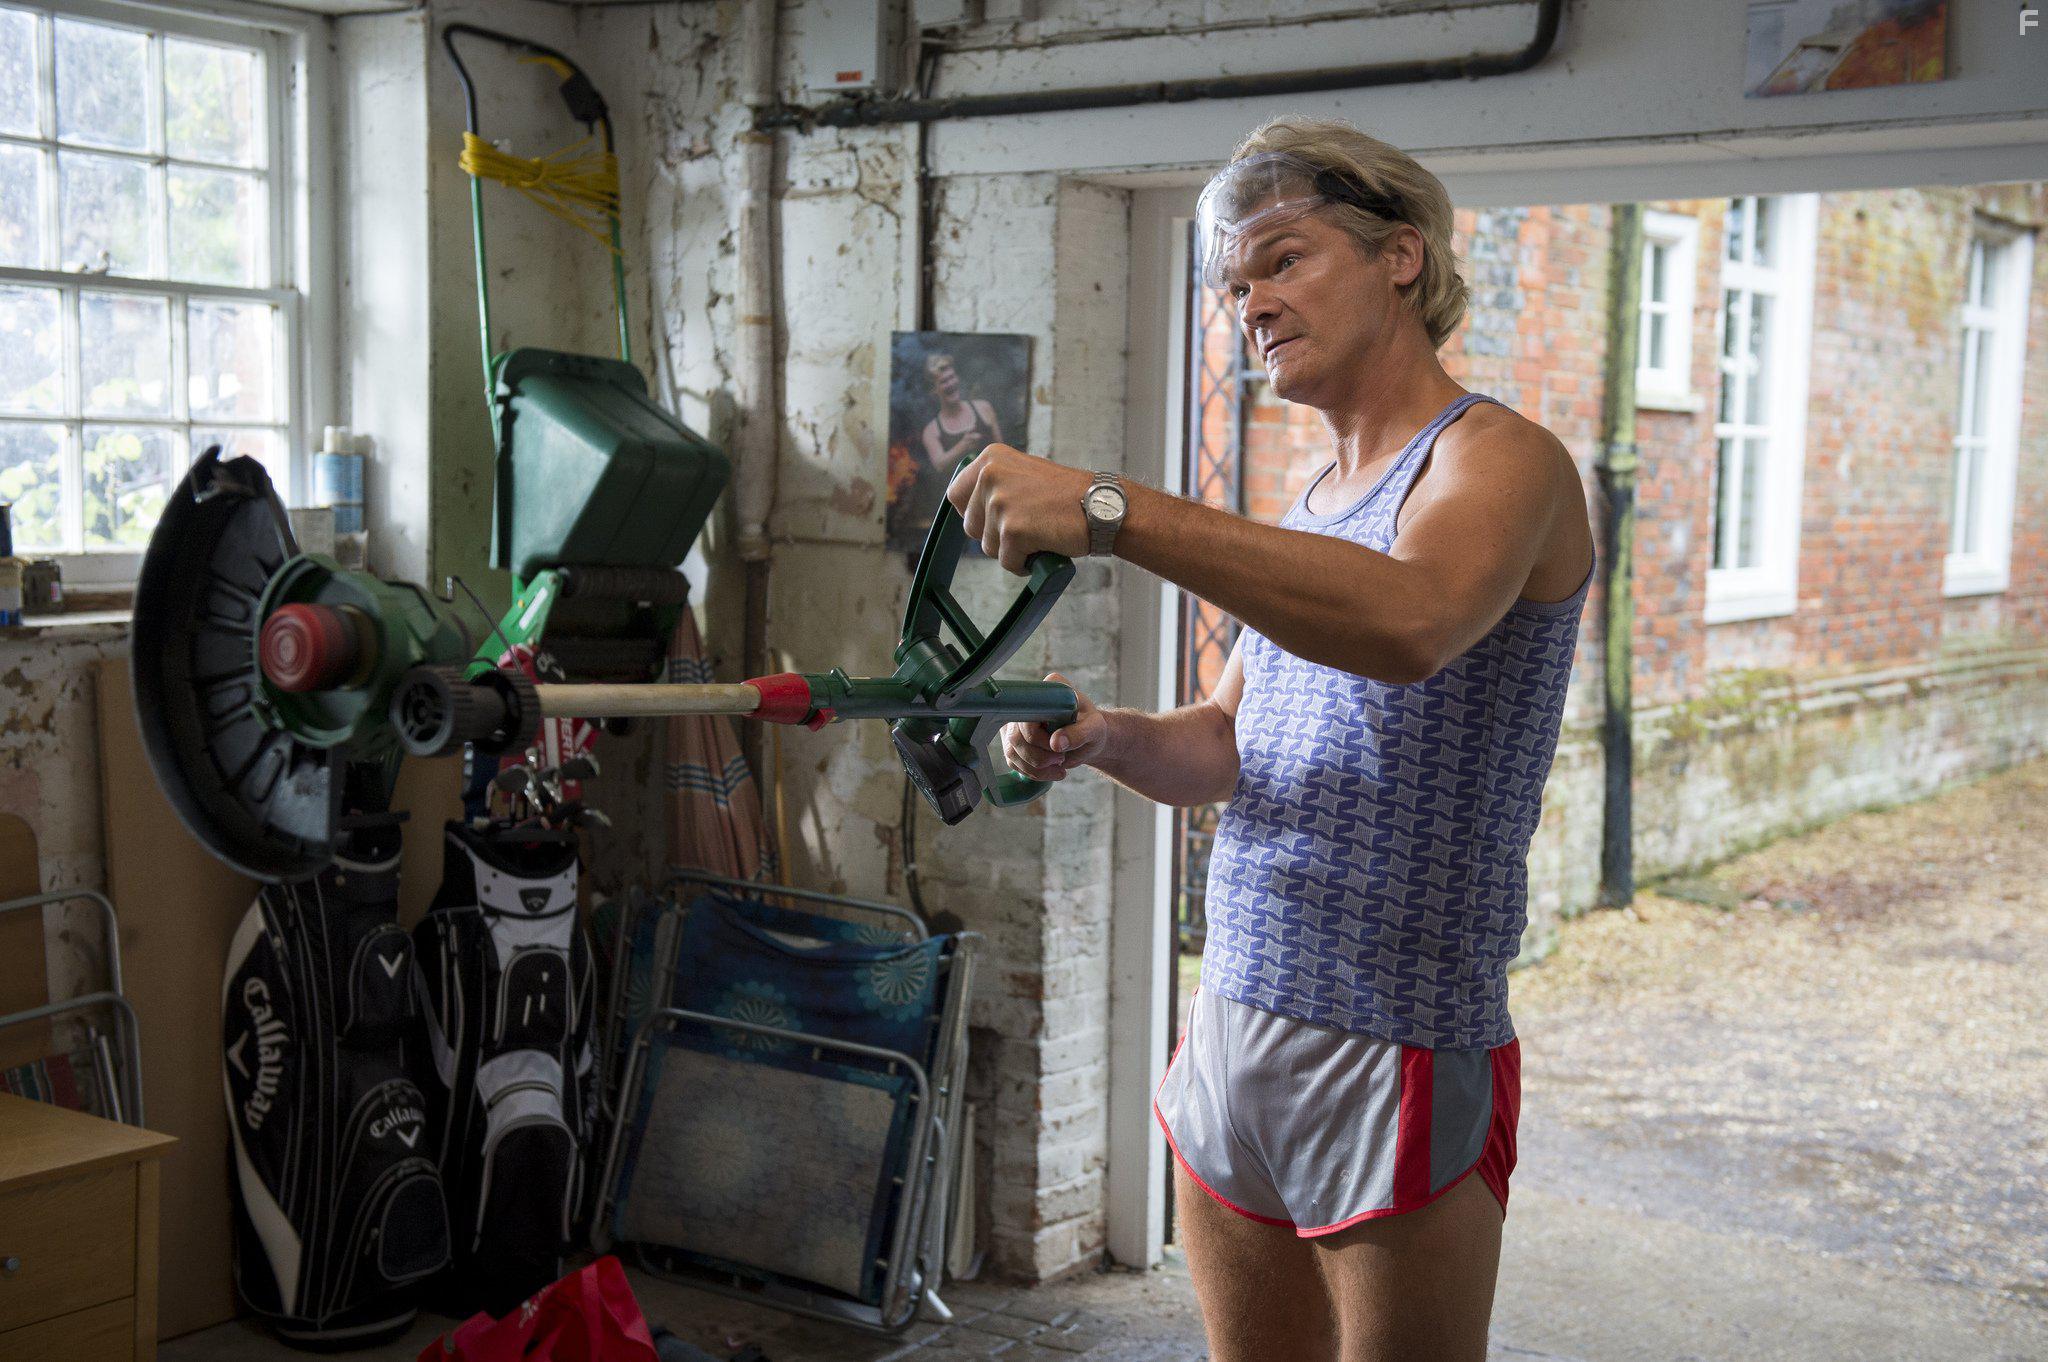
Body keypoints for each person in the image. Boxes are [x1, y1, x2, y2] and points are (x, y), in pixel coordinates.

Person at [948, 118, 1596, 1362]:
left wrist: (1104, 506)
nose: (1248, 301)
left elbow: (1409, 623)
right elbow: (1231, 747)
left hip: (1395, 1030)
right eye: (1232, 284)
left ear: (1399, 256)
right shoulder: (1308, 504)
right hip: (1236, 1011)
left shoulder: (1499, 460)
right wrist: (1103, 737)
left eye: (1281, 262)